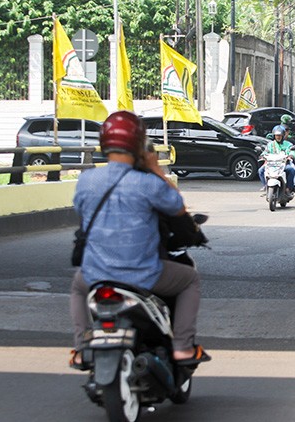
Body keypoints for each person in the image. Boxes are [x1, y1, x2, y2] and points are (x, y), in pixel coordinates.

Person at [69, 110, 210, 368]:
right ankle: (182, 348)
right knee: (190, 280)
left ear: (104, 143)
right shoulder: (148, 183)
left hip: (96, 274)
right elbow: (177, 206)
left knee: (78, 288)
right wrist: (155, 168)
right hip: (143, 274)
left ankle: (80, 349)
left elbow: (81, 213)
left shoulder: (86, 180)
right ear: (138, 144)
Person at [258, 125, 295, 193]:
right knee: (261, 171)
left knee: (291, 170)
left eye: (280, 135)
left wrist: (291, 155)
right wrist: (262, 156)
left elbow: (292, 151)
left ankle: (288, 188)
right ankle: (265, 186)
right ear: (274, 136)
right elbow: (265, 152)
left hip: (283, 164)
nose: (278, 137)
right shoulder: (270, 144)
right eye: (276, 135)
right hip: (271, 164)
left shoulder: (288, 144)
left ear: (283, 135)